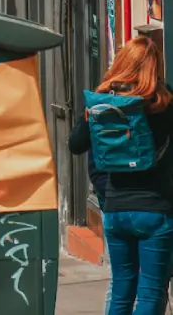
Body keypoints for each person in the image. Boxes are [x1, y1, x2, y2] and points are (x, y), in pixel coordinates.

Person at [70, 36, 173, 315]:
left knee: (121, 292)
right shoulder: (164, 102)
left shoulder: (101, 103)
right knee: (151, 293)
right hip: (154, 209)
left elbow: (75, 144)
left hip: (115, 209)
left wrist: (91, 115)